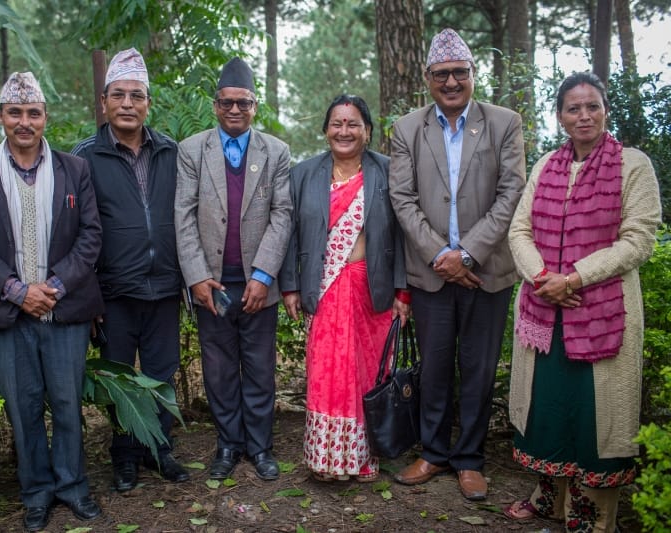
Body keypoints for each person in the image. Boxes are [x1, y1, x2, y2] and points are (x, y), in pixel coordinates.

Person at [505, 71, 661, 531]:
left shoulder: (633, 165)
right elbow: (520, 230)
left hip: (602, 311)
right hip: (544, 310)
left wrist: (572, 279)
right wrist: (541, 279)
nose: (584, 115)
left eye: (592, 106)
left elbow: (638, 241)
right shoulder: (546, 165)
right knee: (547, 407)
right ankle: (548, 497)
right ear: (560, 116)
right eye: (573, 108)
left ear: (606, 110)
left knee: (597, 417)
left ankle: (592, 514)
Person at [0, 72, 103, 531]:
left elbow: (90, 237)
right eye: (16, 112)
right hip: (7, 311)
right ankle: (36, 493)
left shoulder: (74, 170)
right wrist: (20, 292)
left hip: (64, 310)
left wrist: (54, 288)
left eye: (34, 113)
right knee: (22, 408)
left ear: (45, 118)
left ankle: (72, 487)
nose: (25, 121)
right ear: (1, 117)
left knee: (65, 402)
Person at [388, 28, 525, 500]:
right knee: (435, 366)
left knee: (479, 367)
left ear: (473, 75)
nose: (451, 82)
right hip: (429, 272)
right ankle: (433, 452)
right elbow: (402, 198)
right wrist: (439, 256)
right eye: (441, 74)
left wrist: (466, 253)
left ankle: (469, 459)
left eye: (459, 73)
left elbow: (511, 193)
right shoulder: (407, 128)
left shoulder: (504, 122)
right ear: (427, 78)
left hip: (486, 270)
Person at [72, 48, 189, 490]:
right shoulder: (84, 156)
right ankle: (123, 456)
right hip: (113, 293)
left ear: (148, 103)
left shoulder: (171, 152)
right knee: (119, 377)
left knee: (161, 374)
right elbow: (75, 230)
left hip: (163, 288)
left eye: (136, 95)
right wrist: (88, 295)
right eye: (118, 95)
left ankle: (160, 450)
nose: (127, 104)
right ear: (104, 102)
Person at [278, 94, 410, 482]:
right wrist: (289, 285)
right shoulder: (303, 174)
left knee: (368, 373)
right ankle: (327, 459)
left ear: (368, 131)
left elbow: (401, 237)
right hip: (325, 287)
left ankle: (364, 456)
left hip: (373, 290)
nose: (344, 131)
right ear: (325, 130)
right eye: (337, 123)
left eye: (353, 124)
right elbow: (291, 234)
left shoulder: (387, 171)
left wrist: (404, 291)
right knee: (328, 372)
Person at [174, 57, 293, 481]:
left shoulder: (276, 152)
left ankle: (260, 447)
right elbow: (183, 215)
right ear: (215, 105)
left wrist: (263, 276)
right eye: (227, 103)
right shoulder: (191, 150)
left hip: (257, 283)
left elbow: (283, 215)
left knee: (260, 368)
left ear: (255, 105)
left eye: (243, 103)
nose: (235, 110)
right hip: (212, 284)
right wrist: (196, 277)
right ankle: (228, 445)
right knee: (219, 369)